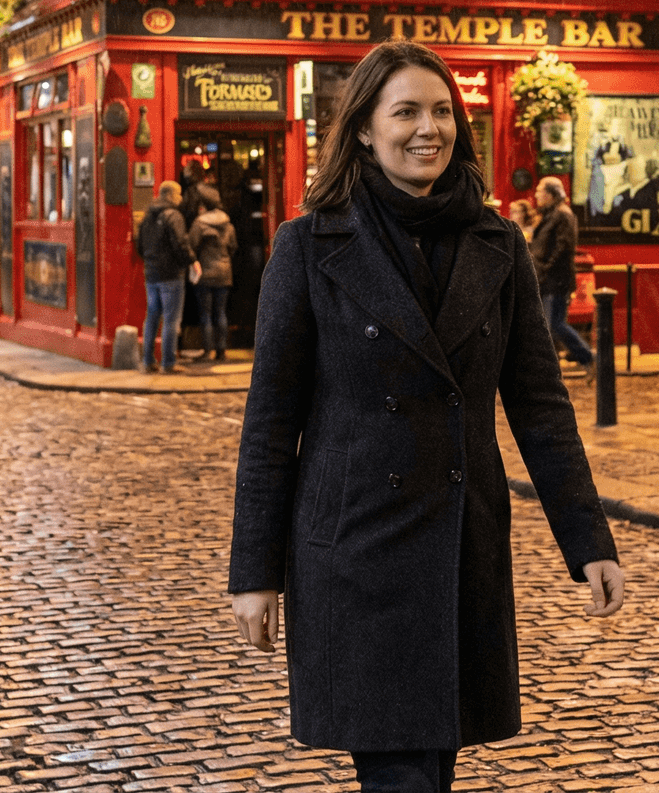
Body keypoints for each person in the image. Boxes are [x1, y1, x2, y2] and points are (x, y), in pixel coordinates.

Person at [229, 40, 626, 793]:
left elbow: (541, 407)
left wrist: (588, 539)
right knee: (402, 771)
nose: (427, 128)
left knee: (430, 763)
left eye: (441, 111)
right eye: (406, 111)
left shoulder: (497, 243)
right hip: (354, 553)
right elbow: (270, 424)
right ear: (365, 131)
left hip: (459, 548)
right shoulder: (309, 246)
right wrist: (255, 571)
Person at [529, 177, 593, 375]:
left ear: (550, 194)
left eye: (540, 191)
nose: (537, 195)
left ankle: (590, 358)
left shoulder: (562, 215)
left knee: (555, 325)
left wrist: (545, 270)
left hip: (555, 281)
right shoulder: (551, 214)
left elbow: (562, 248)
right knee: (549, 327)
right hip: (547, 280)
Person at [136, 180, 196, 373]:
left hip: (151, 275)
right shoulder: (173, 215)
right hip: (171, 275)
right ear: (170, 195)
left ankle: (148, 361)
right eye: (178, 194)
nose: (180, 198)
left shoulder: (147, 215)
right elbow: (181, 243)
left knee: (152, 317)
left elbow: (140, 245)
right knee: (171, 319)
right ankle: (168, 362)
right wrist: (191, 261)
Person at [186, 184, 237, 363]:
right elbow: (233, 248)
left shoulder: (199, 224)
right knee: (221, 312)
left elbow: (190, 245)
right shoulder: (228, 224)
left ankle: (207, 351)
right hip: (224, 272)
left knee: (206, 314)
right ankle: (221, 351)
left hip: (205, 273)